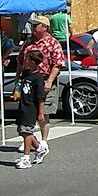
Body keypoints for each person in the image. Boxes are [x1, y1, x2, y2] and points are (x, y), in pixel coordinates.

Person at [16, 15, 64, 155]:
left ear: (44, 27)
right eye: (32, 25)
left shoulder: (52, 43)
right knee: (28, 111)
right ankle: (28, 139)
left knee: (44, 112)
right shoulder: (28, 42)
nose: (33, 28)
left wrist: (49, 81)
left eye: (36, 25)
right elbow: (21, 60)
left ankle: (43, 141)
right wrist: (18, 77)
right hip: (29, 80)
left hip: (44, 79)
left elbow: (58, 63)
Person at [14, 50, 47, 169]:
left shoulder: (38, 78)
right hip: (23, 105)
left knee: (27, 132)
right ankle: (39, 148)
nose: (25, 61)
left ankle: (26, 157)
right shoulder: (26, 73)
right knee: (22, 131)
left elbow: (40, 97)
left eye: (27, 59)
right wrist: (16, 93)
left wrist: (41, 113)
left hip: (31, 108)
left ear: (33, 62)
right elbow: (20, 86)